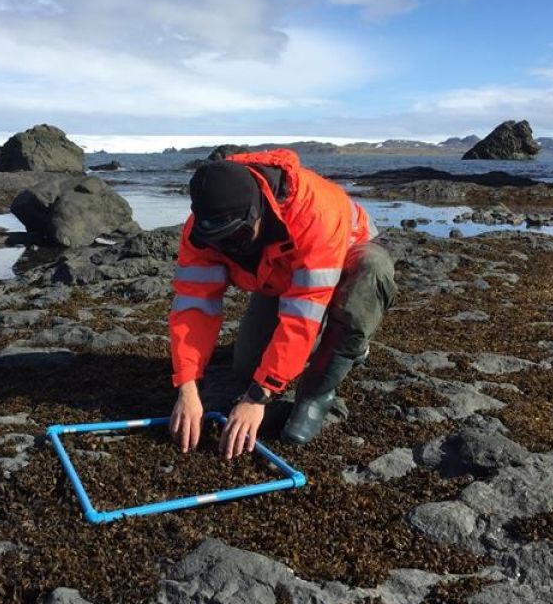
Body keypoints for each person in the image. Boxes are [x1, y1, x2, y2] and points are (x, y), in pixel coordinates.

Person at [168, 149, 397, 459]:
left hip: (347, 260)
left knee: (372, 271)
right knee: (247, 367)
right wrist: (188, 386)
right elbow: (194, 307)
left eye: (235, 239)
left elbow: (304, 312)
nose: (225, 248)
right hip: (282, 279)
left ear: (256, 212)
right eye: (218, 242)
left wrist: (257, 398)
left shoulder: (316, 211)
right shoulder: (203, 228)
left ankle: (319, 389)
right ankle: (324, 344)